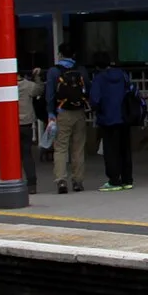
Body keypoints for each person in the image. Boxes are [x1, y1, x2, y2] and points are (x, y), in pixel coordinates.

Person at [89, 56, 144, 192]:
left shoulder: (99, 79)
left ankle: (114, 180)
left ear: (97, 67)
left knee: (111, 151)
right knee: (125, 149)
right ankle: (127, 179)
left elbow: (95, 100)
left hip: (108, 119)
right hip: (125, 117)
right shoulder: (122, 75)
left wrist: (97, 109)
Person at [44, 49, 90, 194]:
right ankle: (77, 181)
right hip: (79, 112)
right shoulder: (81, 70)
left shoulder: (53, 71)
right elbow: (87, 89)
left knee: (61, 147)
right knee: (78, 148)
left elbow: (50, 93)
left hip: (62, 112)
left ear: (60, 55)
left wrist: (51, 112)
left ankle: (61, 181)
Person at [16, 63, 46, 195]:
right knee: (27, 154)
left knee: (12, 155)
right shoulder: (28, 85)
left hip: (10, 125)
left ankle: (13, 180)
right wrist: (37, 76)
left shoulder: (4, 85)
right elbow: (39, 89)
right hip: (26, 123)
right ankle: (31, 184)